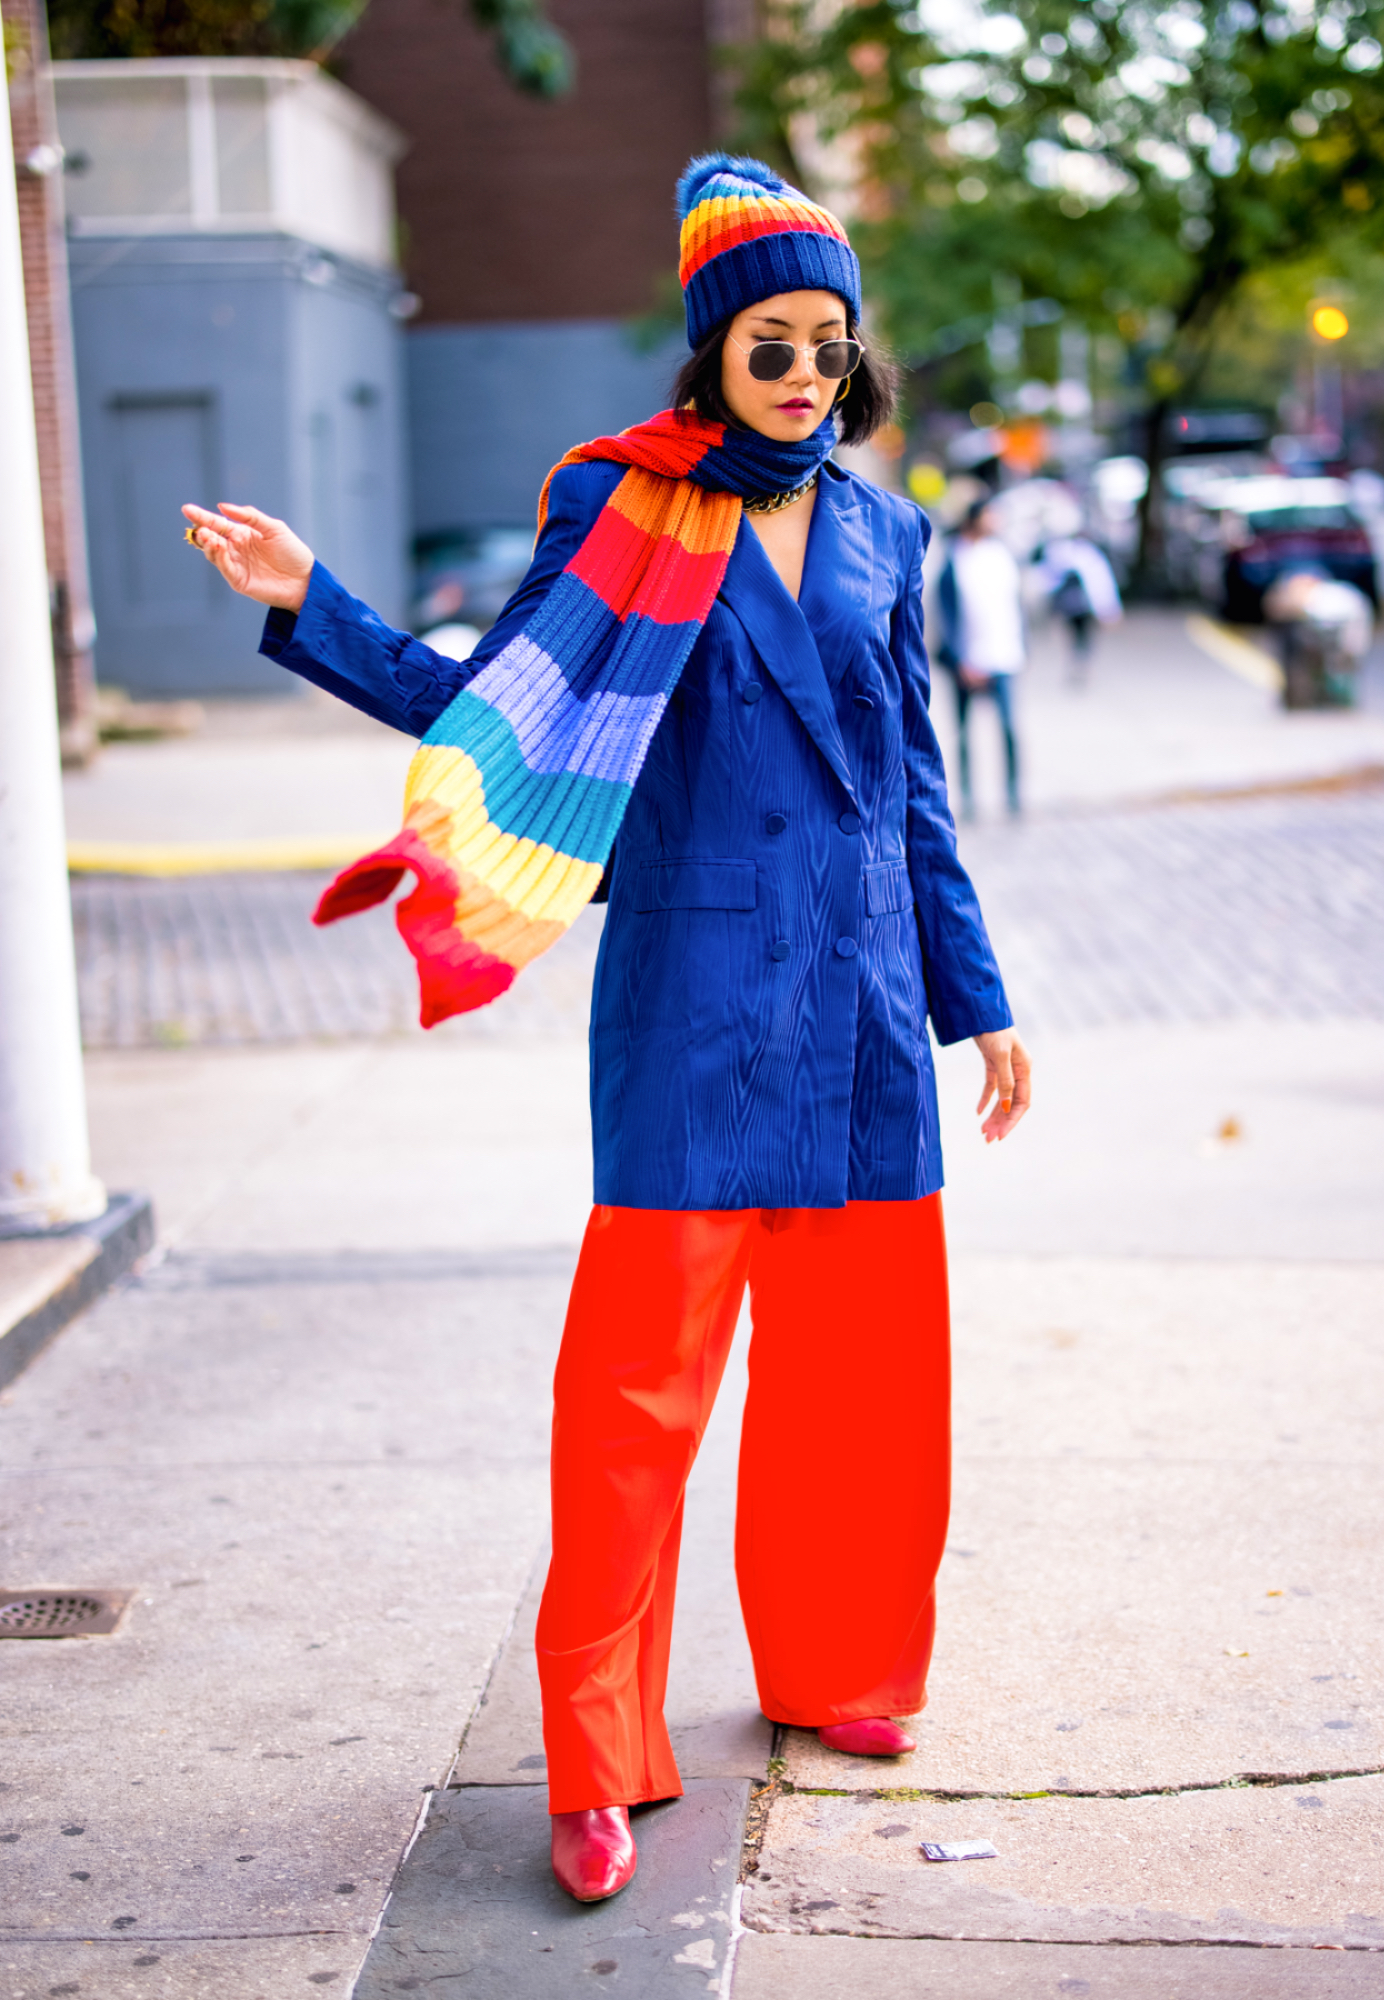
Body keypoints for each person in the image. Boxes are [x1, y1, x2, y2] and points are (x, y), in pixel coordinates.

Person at [181, 153, 1029, 1911]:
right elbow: (499, 701)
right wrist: (308, 602)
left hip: (866, 1006)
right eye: (768, 342)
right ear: (712, 354)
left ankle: (840, 1677)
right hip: (696, 1006)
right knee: (632, 1407)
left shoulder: (889, 533)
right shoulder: (630, 510)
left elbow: (916, 791)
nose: (803, 371)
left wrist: (979, 997)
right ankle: (595, 1758)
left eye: (828, 341)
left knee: (863, 1391)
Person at [936, 498, 1025, 816]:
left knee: (1009, 728)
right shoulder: (954, 558)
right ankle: (969, 797)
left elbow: (1014, 607)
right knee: (964, 732)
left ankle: (1014, 794)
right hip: (966, 661)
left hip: (1003, 656)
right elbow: (945, 615)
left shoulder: (1002, 555)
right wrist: (961, 658)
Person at [1036, 528, 1122, 684]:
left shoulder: (1061, 553)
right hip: (1083, 606)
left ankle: (1078, 661)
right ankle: (1080, 661)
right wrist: (1108, 609)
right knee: (1082, 636)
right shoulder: (1089, 555)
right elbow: (1100, 584)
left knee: (1075, 635)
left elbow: (1047, 579)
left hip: (1070, 607)